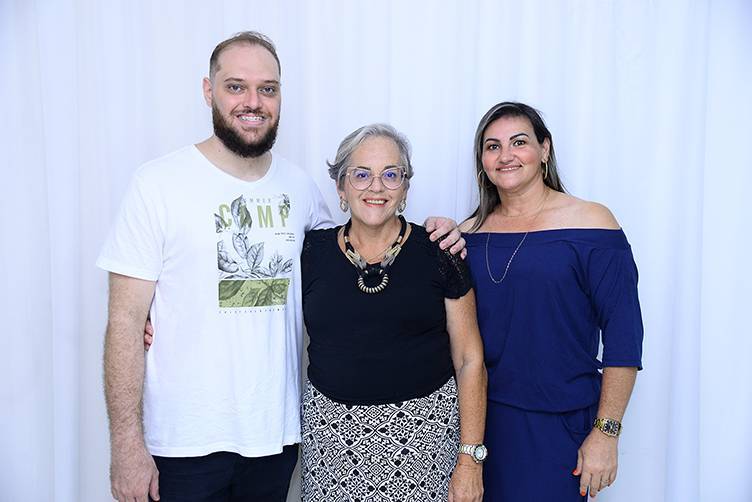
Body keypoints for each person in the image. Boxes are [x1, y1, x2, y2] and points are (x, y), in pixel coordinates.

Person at [98, 32, 463, 502]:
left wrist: (442, 232)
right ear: (208, 91)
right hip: (183, 442)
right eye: (236, 86)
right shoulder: (158, 184)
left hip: (277, 438)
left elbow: (360, 253)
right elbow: (125, 321)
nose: (253, 102)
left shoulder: (300, 188)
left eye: (267, 89)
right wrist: (126, 444)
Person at [459, 102, 643, 501]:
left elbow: (624, 335)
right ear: (482, 161)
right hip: (476, 426)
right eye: (492, 146)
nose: (505, 155)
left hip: (559, 425)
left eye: (519, 142)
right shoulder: (467, 235)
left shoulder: (592, 223)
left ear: (544, 149)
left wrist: (606, 432)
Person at [300, 124, 487, 502]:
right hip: (331, 447)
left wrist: (471, 461)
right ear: (340, 187)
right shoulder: (310, 251)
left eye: (390, 174)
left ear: (405, 188)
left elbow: (470, 360)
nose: (376, 187)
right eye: (361, 174)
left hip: (423, 445)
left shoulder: (440, 251)